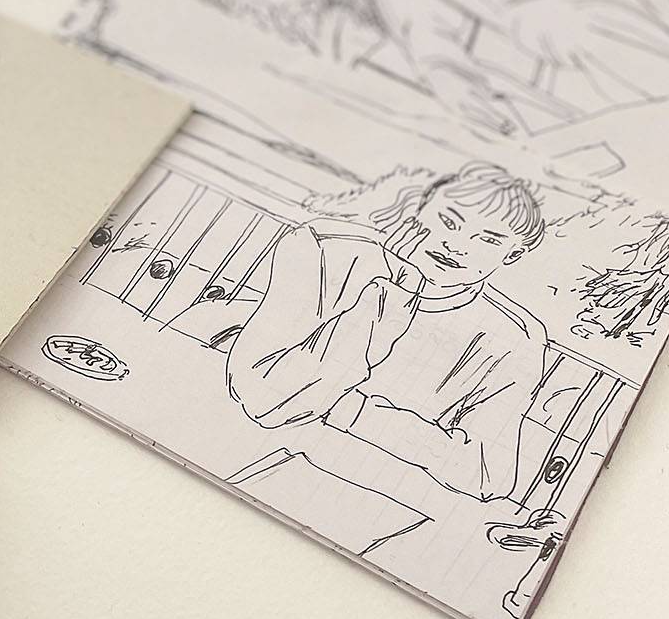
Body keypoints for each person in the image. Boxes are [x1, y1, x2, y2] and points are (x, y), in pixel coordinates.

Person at [225, 163, 548, 501]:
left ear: (513, 255)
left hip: (387, 496)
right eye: (448, 221)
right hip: (259, 462)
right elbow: (265, 399)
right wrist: (389, 299)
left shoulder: (517, 338)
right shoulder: (324, 249)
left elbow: (488, 474)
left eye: (488, 240)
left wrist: (350, 410)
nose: (455, 245)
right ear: (419, 212)